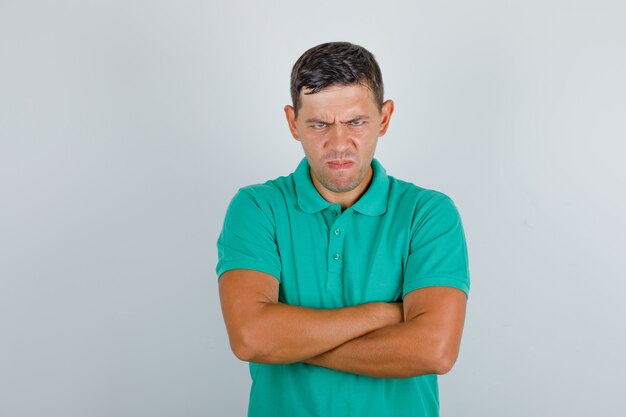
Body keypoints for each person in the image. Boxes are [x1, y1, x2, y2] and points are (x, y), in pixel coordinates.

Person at [216, 41, 470, 417]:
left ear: (384, 118)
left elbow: (434, 349)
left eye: (356, 122)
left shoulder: (428, 213)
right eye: (319, 124)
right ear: (292, 122)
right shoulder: (257, 207)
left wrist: (292, 343)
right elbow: (252, 338)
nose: (338, 144)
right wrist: (382, 315)